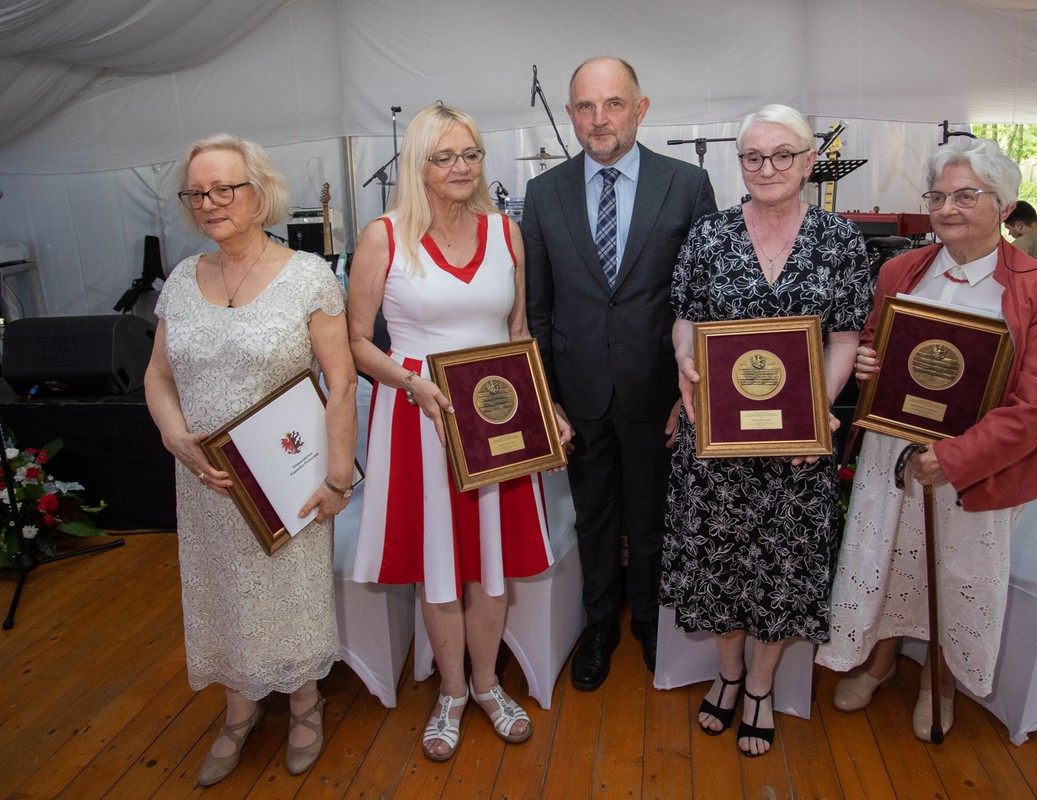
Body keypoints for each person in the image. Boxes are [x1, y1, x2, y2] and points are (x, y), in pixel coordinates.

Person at [816, 137, 1037, 742]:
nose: (947, 208)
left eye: (965, 195)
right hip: (893, 450)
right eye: (937, 196)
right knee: (885, 557)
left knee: (958, 572)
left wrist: (954, 458)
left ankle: (940, 680)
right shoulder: (900, 270)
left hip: (978, 465)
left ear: (1004, 204)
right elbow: (878, 343)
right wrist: (868, 363)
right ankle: (880, 662)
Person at [349, 103, 570, 762]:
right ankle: (449, 692)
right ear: (418, 164)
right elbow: (356, 342)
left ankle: (486, 685)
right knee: (440, 563)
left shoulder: (506, 232)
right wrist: (411, 382)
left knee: (490, 561)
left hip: (497, 418)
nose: (461, 167)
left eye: (470, 154)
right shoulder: (383, 237)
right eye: (444, 156)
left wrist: (546, 407)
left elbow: (519, 333)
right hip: (420, 415)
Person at [145, 134, 356, 785]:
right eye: (197, 193)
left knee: (290, 593)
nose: (209, 203)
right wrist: (174, 436)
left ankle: (304, 702)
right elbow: (157, 376)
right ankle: (239, 709)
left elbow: (342, 382)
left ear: (259, 193)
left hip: (286, 478)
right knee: (223, 593)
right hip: (206, 483)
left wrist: (338, 478)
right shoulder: (181, 281)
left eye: (224, 189)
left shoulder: (307, 276)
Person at [663, 104, 872, 757]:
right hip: (717, 436)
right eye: (753, 156)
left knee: (783, 567)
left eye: (783, 154)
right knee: (718, 564)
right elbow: (685, 320)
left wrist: (814, 412)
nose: (768, 167)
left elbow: (845, 339)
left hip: (796, 447)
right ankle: (728, 675)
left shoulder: (840, 241)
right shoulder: (708, 235)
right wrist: (684, 360)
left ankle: (760, 685)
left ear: (809, 161)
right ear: (740, 164)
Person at [523, 56, 717, 690]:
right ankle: (600, 624)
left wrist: (690, 390)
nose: (598, 118)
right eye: (585, 106)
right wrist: (547, 398)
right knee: (594, 517)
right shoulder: (544, 193)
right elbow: (538, 308)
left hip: (659, 391)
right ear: (570, 114)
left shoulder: (686, 185)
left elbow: (706, 301)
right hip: (577, 395)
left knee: (653, 517)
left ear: (641, 108)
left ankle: (653, 622)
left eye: (612, 104)